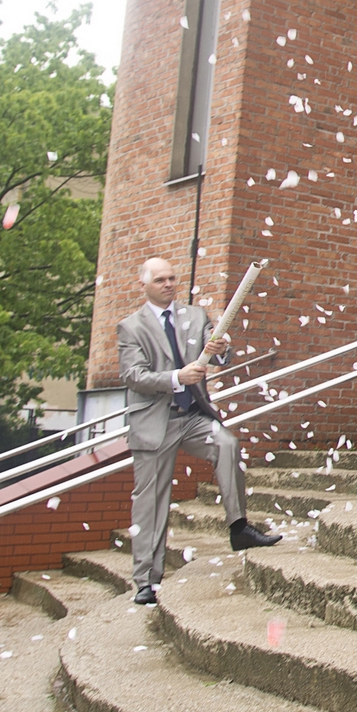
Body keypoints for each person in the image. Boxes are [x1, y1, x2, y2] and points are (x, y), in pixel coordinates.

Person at [117, 258, 279, 605]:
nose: (168, 284)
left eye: (172, 278)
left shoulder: (195, 316)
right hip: (154, 422)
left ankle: (239, 528)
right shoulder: (131, 327)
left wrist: (220, 351)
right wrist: (177, 377)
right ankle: (146, 580)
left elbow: (217, 351)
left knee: (227, 444)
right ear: (144, 285)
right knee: (151, 502)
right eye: (160, 280)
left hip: (192, 416)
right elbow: (134, 376)